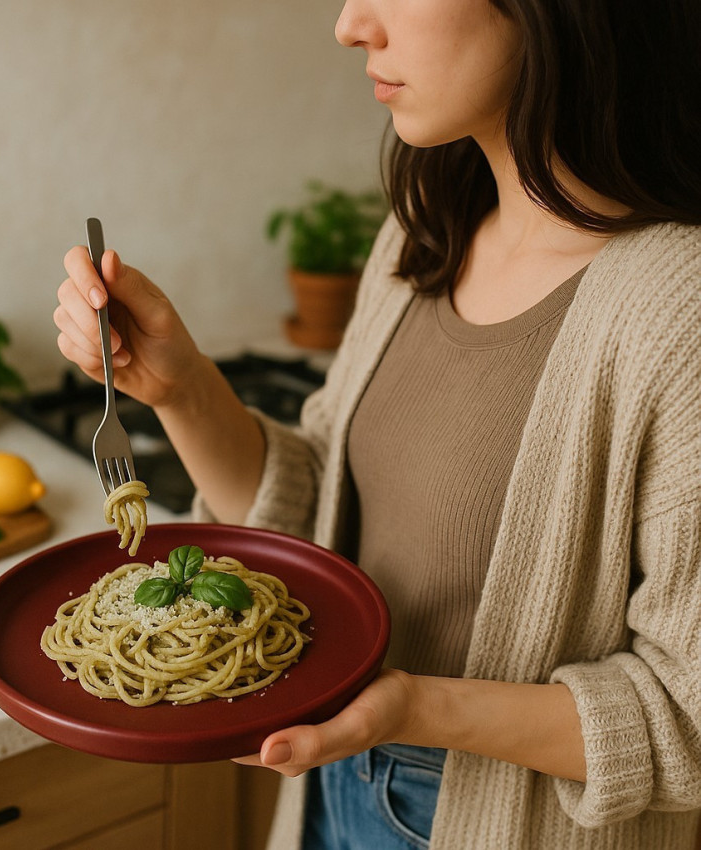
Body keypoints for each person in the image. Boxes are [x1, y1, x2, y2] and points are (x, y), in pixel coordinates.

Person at [53, 0, 701, 847]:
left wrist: (417, 707)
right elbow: (321, 516)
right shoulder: (421, 233)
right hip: (335, 786)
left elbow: (687, 714)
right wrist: (178, 387)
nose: (351, 23)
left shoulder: (675, 307)